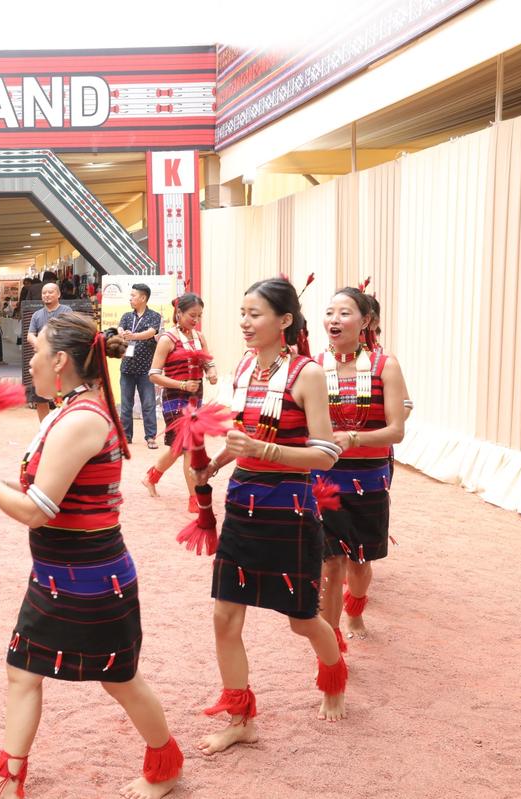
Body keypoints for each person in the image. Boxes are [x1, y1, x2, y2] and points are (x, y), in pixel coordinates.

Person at [0, 313, 183, 799]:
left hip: (90, 576)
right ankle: (11, 775)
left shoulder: (80, 419)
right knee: (23, 669)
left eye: (36, 351)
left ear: (59, 360)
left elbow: (36, 510)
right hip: (60, 572)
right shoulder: (67, 410)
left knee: (119, 678)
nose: (30, 361)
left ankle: (165, 765)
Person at [194, 278, 347, 754]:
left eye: (254, 313)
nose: (244, 322)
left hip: (291, 510)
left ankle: (334, 678)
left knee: (301, 619)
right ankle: (240, 718)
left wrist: (261, 448)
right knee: (224, 617)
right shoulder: (243, 367)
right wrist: (218, 462)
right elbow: (242, 435)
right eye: (242, 312)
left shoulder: (308, 374)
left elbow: (324, 456)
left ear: (284, 321)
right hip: (242, 503)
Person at [315, 288, 407, 647]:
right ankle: (330, 640)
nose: (334, 320)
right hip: (324, 479)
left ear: (365, 321)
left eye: (344, 313)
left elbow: (396, 430)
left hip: (369, 481)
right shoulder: (311, 366)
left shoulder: (387, 365)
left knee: (359, 562)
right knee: (331, 563)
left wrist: (353, 438)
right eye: (329, 312)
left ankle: (355, 608)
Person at [143, 293, 219, 512]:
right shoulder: (167, 339)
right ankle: (194, 498)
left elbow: (209, 362)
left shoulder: (199, 337)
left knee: (179, 447)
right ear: (179, 313)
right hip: (174, 398)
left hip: (195, 397)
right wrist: (182, 385)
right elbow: (154, 375)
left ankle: (152, 475)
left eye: (199, 316)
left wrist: (212, 372)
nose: (196, 320)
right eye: (192, 315)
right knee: (189, 448)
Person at [118, 284, 163, 449]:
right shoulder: (126, 316)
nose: (130, 298)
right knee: (126, 404)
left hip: (146, 370)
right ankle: (125, 436)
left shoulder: (154, 316)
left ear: (143, 298)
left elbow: (151, 332)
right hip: (127, 368)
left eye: (133, 295)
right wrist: (122, 332)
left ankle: (150, 437)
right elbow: (120, 328)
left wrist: (134, 335)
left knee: (148, 404)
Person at [26, 283, 73, 421]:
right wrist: (40, 346)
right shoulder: (37, 315)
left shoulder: (67, 311)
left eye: (50, 292)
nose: (46, 295)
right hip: (43, 361)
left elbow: (70, 332)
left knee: (63, 396)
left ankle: (63, 427)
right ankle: (44, 428)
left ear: (58, 294)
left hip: (61, 360)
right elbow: (30, 335)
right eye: (44, 293)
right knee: (40, 398)